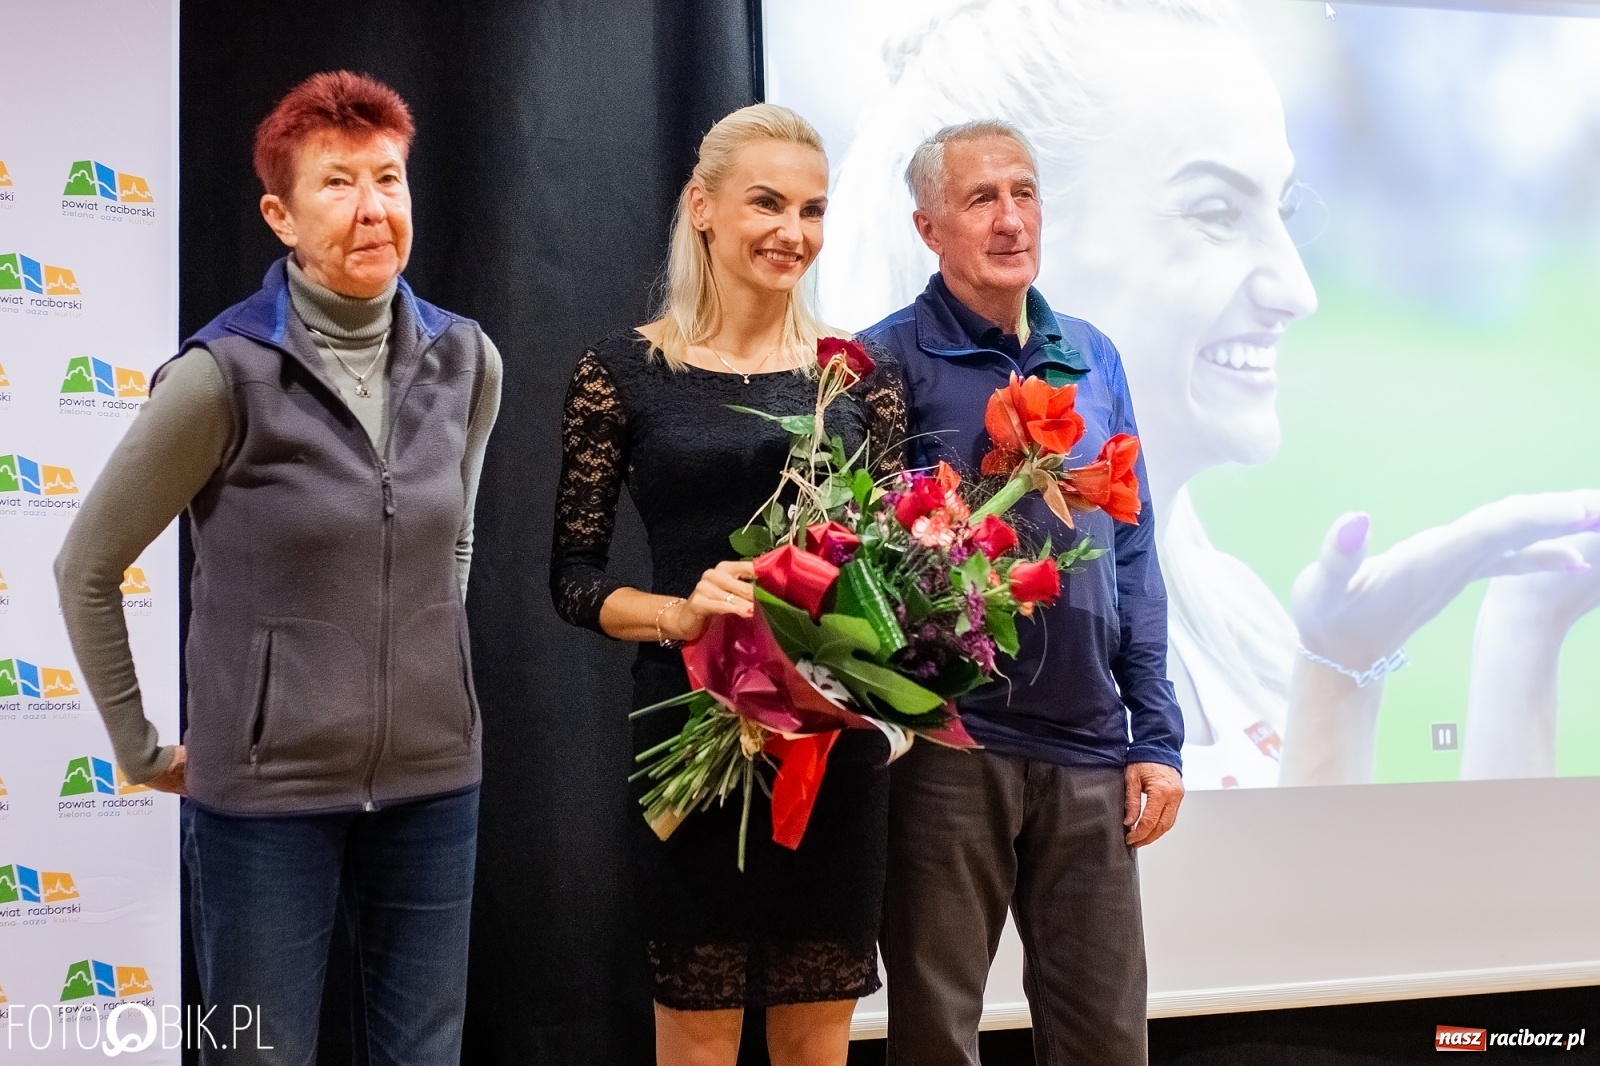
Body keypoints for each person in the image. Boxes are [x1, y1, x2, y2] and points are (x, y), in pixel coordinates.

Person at [823, 0, 1600, 789]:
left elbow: (1369, 904)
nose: (1298, 290)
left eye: (1283, 209)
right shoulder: (956, 641)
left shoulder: (1233, 616)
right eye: (1217, 212)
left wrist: (1528, 627)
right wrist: (1337, 670)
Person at [54, 71, 503, 1064]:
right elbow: (86, 565)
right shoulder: (221, 376)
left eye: (389, 178)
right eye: (337, 184)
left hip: (434, 785)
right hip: (262, 800)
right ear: (281, 215)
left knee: (424, 1052)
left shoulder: (469, 359)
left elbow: (455, 535)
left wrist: (425, 669)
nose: (374, 207)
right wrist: (137, 747)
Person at [549, 103, 905, 1066]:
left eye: (814, 210)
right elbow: (572, 583)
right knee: (697, 1047)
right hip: (686, 733)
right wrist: (682, 611)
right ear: (703, 208)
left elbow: (898, 572)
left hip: (829, 751)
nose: (794, 233)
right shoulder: (622, 371)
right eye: (767, 203)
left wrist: (889, 694)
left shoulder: (859, 377)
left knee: (816, 1046)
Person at [858, 120, 1183, 1066]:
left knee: (1106, 1041)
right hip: (950, 749)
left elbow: (1132, 553)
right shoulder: (885, 361)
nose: (1011, 220)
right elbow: (865, 564)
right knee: (936, 1037)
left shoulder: (1091, 352)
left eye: (1025, 192)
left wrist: (1153, 736)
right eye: (981, 199)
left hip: (1089, 748)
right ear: (928, 228)